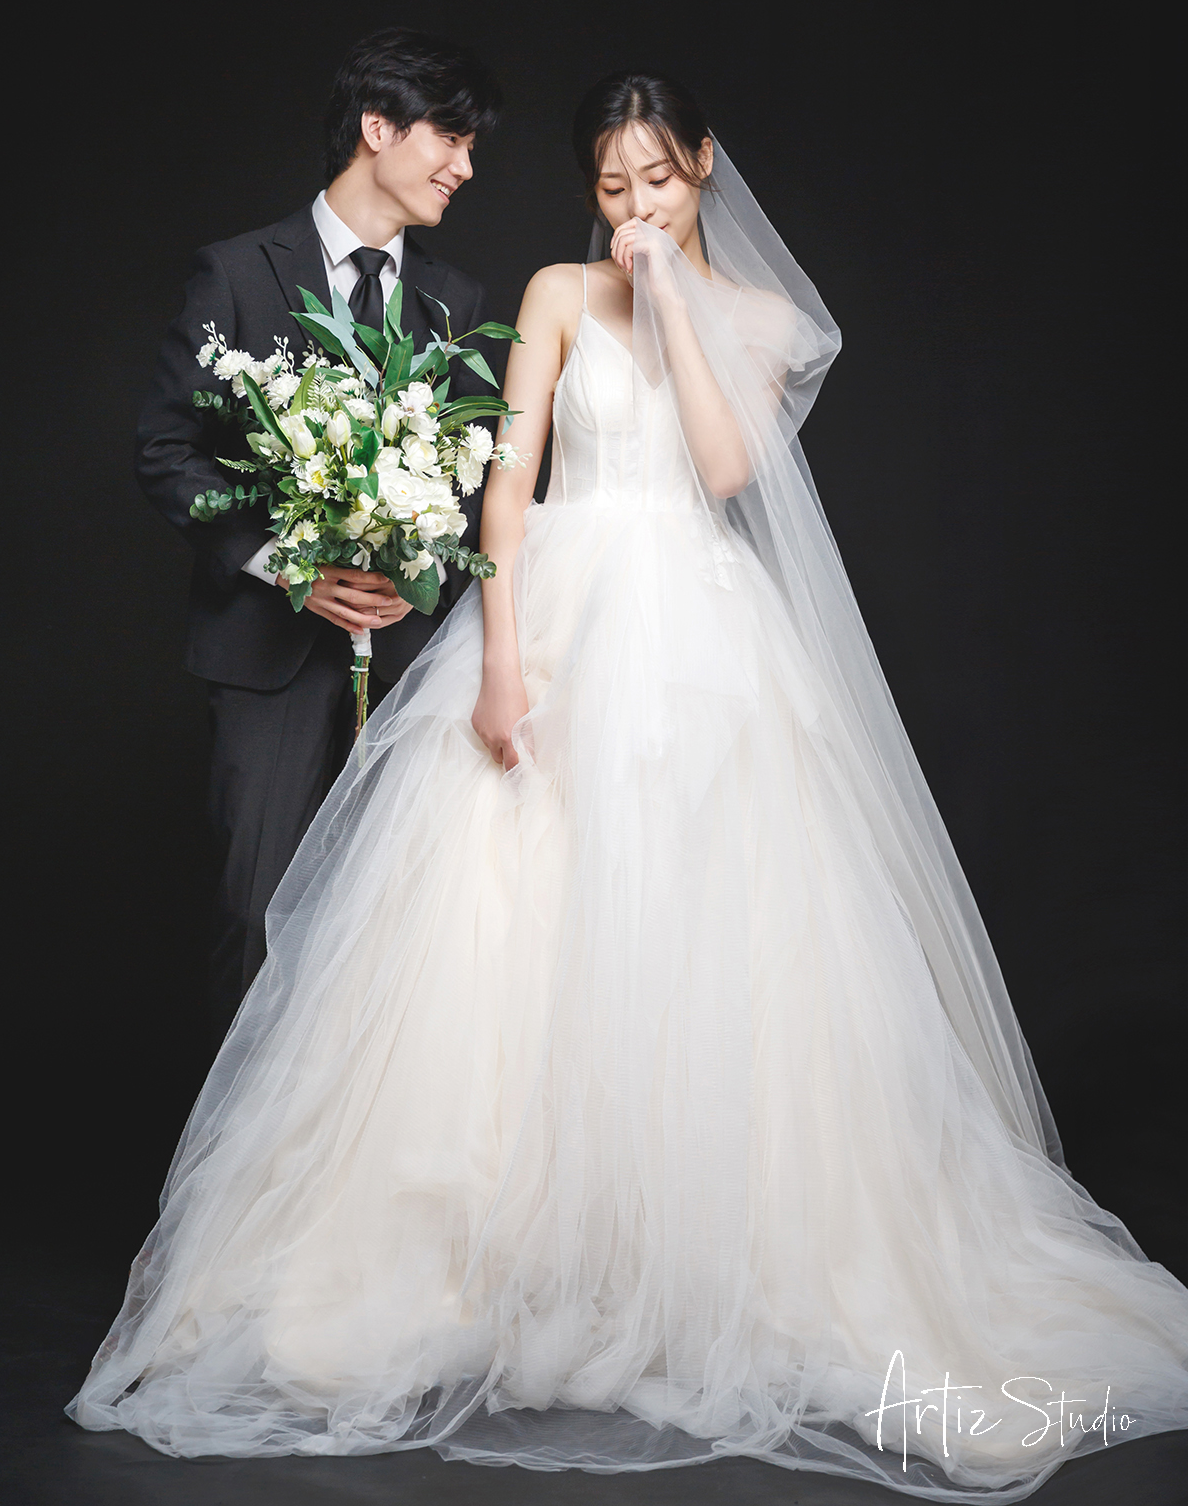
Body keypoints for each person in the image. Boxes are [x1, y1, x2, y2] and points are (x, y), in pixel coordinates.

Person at [73, 74, 1188, 1498]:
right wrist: (500, 658)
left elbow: (723, 468)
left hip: (700, 639)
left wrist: (668, 297)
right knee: (500, 927)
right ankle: (494, 1252)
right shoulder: (552, 291)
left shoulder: (766, 322)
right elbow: (510, 479)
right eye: (610, 187)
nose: (631, 207)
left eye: (655, 179)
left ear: (703, 168)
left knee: (707, 927)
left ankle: (684, 1254)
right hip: (558, 613)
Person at [135, 28, 504, 1036]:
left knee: (404, 925)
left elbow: (472, 478)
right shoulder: (236, 273)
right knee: (257, 917)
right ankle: (247, 1143)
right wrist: (289, 561)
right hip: (269, 658)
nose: (466, 168)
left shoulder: (456, 300)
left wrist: (416, 565)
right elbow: (166, 450)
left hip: (412, 662)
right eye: (452, 139)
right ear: (379, 128)